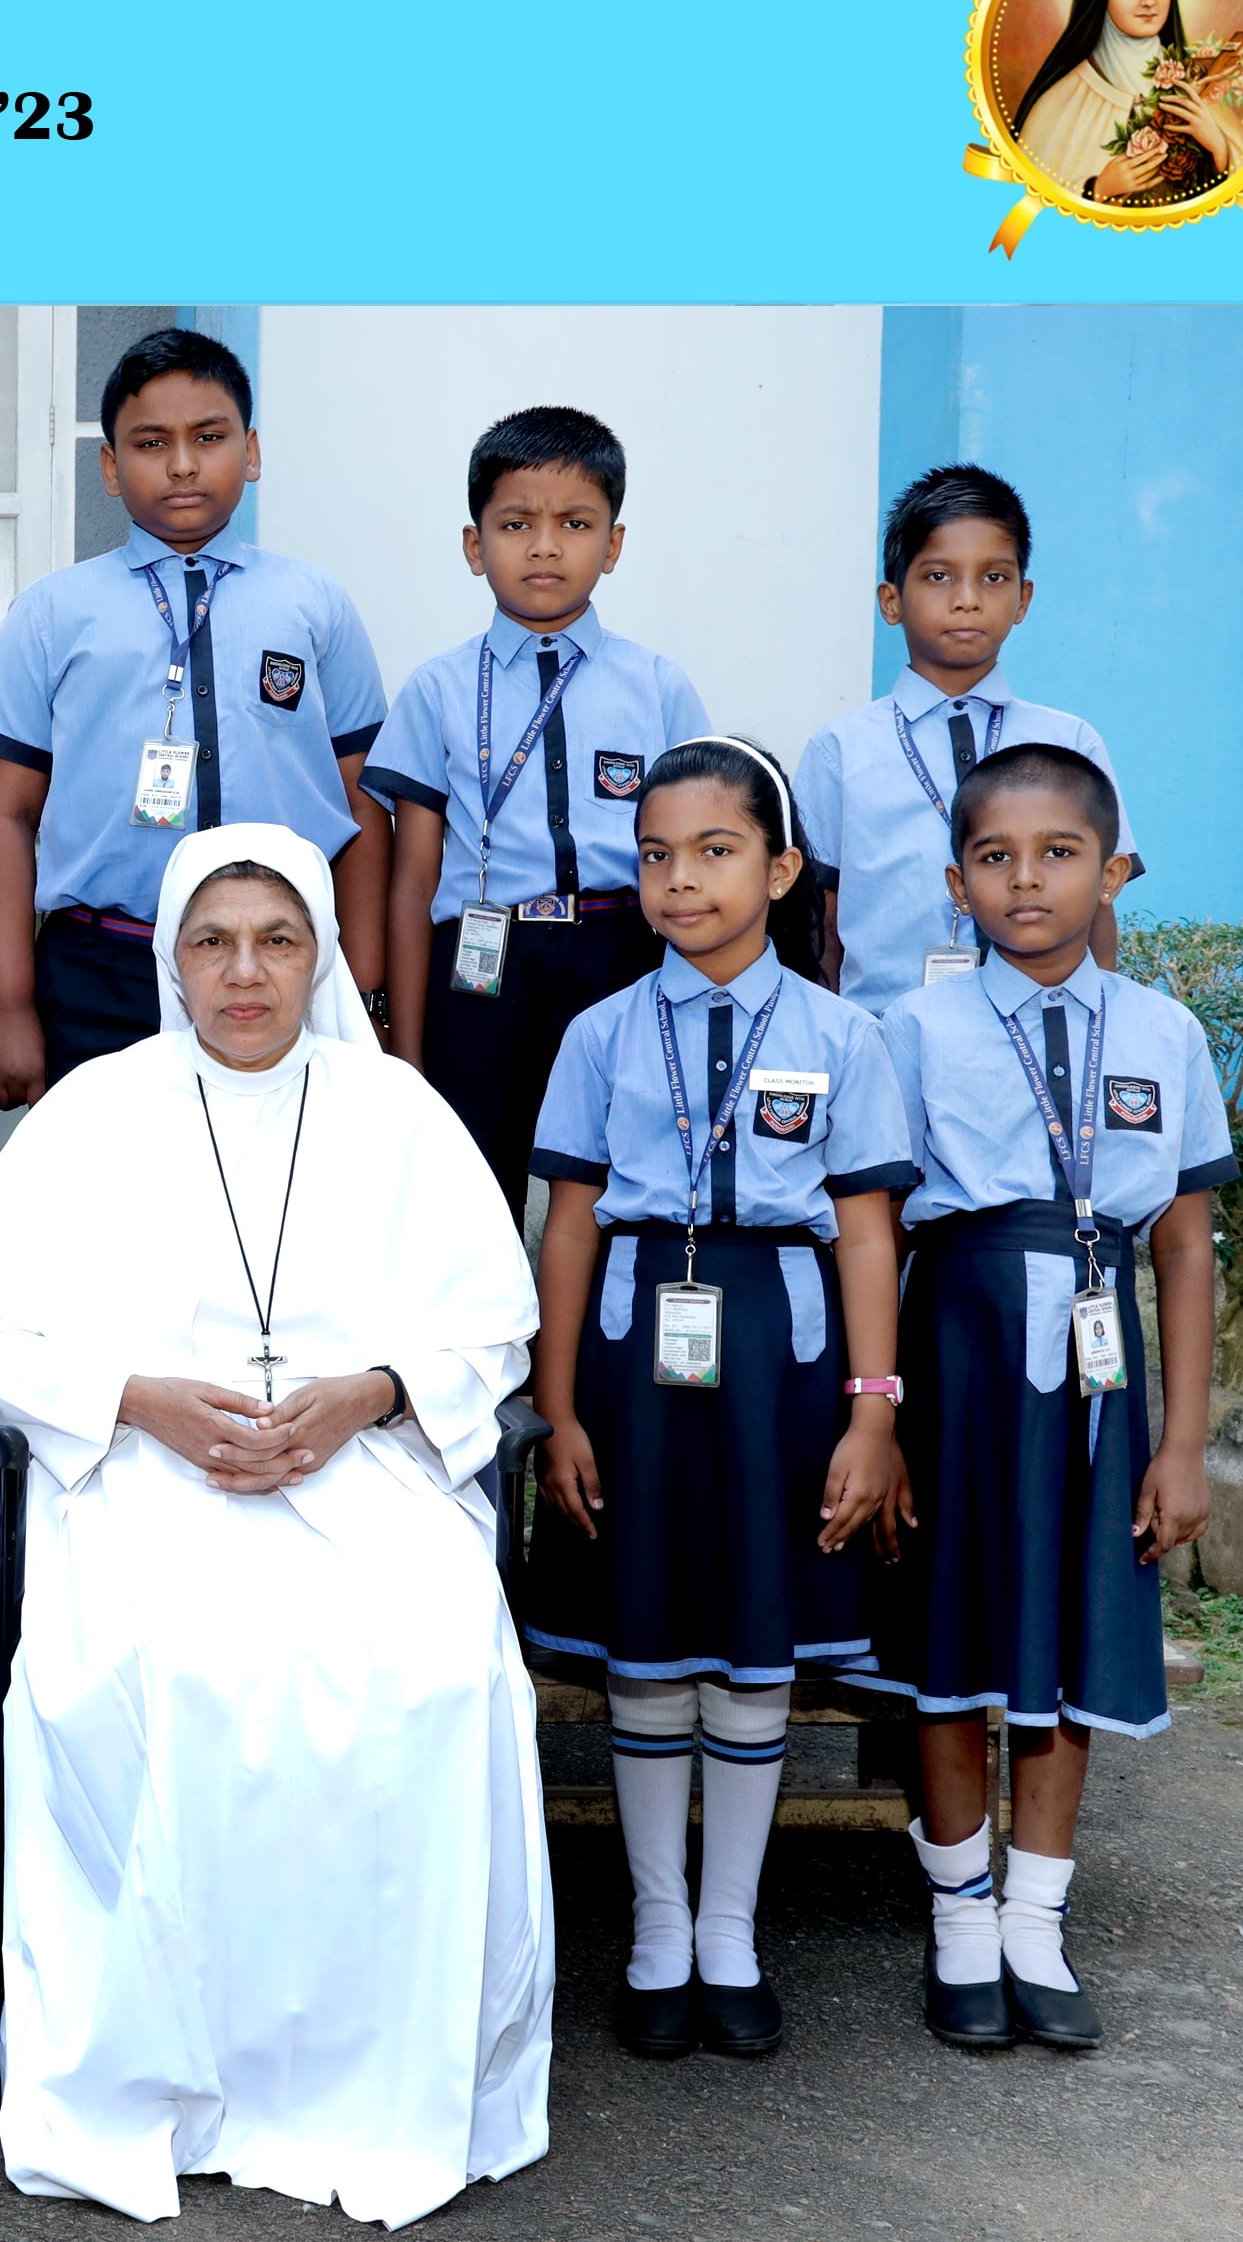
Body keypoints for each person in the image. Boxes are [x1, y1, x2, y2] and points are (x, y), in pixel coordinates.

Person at [0, 822, 552, 2225]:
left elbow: (491, 1322)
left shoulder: (394, 1109)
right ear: (170, 959)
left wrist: (371, 1394)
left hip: (362, 1467)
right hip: (150, 1470)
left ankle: (370, 2068)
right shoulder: (100, 1106)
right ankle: (177, 2065)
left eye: (278, 940)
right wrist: (134, 1399)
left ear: (321, 955)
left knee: (432, 1670)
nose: (246, 972)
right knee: (165, 1665)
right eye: (212, 942)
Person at [519, 740, 918, 2060]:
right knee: (646, 1653)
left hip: (782, 1366)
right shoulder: (598, 1034)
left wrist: (872, 1410)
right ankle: (655, 1931)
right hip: (634, 1358)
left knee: (752, 1656)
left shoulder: (844, 1036)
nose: (680, 880)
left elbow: (869, 1233)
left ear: (782, 870)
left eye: (714, 851)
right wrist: (559, 1407)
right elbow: (567, 1226)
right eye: (655, 856)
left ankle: (730, 1934)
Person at [859, 743, 1228, 2051]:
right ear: (955, 882)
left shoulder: (1166, 1034)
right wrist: (880, 1414)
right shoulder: (912, 1031)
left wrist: (1184, 1444)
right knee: (955, 1638)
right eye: (996, 858)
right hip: (959, 1354)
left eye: (1059, 854)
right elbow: (872, 1228)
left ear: (1111, 873)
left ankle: (1035, 1923)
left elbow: (1184, 1248)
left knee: (1067, 1642)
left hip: (1097, 1368)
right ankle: (961, 1920)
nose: (1027, 880)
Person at [0, 327, 389, 1105]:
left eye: (210, 437)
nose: (184, 464)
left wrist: (363, 989)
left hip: (286, 966)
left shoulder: (315, 605)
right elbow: (4, 815)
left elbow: (361, 807)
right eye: (152, 442)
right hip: (102, 969)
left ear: (251, 452)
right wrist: (8, 1006)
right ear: (110, 466)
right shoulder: (51, 614)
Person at [366, 406, 713, 1214]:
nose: (546, 546)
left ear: (613, 545)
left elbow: (700, 857)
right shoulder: (438, 689)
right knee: (470, 1195)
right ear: (474, 545)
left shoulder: (657, 686)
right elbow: (412, 883)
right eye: (517, 524)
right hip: (480, 970)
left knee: (616, 1189)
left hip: (624, 956)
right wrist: (408, 1051)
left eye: (575, 524)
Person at [795, 466, 1137, 1016]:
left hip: (1040, 1031)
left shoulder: (1069, 741)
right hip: (882, 1034)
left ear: (1023, 599)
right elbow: (821, 918)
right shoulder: (840, 749)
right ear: (891, 601)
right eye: (938, 576)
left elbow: (1098, 907)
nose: (968, 599)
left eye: (994, 577)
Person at [1009, 0, 1243, 203]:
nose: (1149, 0)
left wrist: (1219, 148)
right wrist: (1097, 189)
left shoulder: (1196, 85)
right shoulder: (1059, 103)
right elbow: (1027, 199)